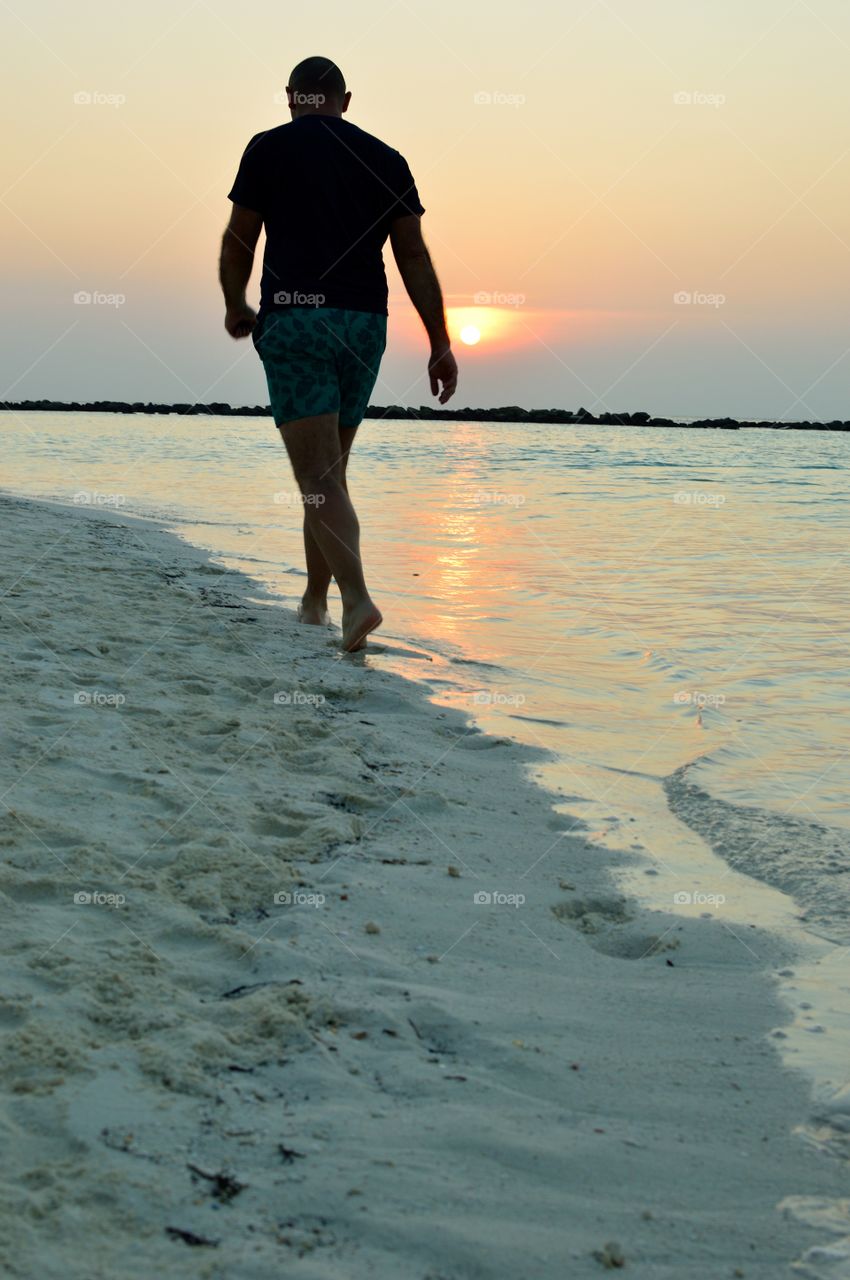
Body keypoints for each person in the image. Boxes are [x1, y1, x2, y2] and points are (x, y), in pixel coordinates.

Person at [219, 55, 458, 652]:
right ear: (344, 100)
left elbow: (239, 236)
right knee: (330, 475)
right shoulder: (386, 158)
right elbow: (414, 258)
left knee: (319, 478)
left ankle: (356, 600)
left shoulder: (268, 148)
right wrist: (439, 342)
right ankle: (313, 603)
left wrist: (235, 302)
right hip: (362, 325)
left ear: (292, 97)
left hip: (297, 321)